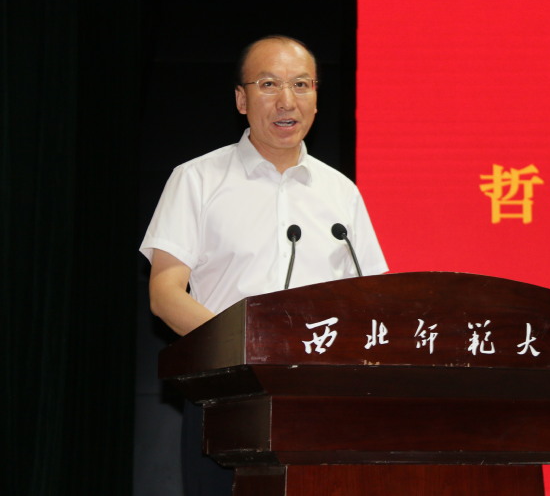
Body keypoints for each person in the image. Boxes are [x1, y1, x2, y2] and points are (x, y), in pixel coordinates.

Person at [139, 35, 387, 495]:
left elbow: (373, 299)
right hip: (225, 395)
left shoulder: (341, 193)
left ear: (316, 98)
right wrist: (244, 352)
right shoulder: (196, 179)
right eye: (269, 84)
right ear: (241, 99)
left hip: (320, 402)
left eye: (301, 84)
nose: (286, 100)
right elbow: (166, 294)